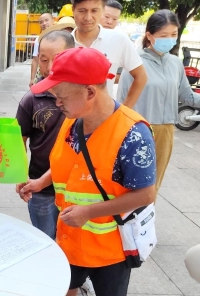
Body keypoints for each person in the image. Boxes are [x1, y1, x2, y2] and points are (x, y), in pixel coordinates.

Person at [19, 47, 156, 296]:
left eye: (61, 97)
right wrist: (41, 182)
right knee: (63, 288)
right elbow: (73, 163)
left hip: (109, 252)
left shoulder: (133, 135)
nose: (56, 103)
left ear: (90, 91)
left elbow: (146, 194)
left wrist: (89, 212)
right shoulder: (73, 120)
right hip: (69, 240)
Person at [118, 10, 200, 194]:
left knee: (154, 186)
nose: (170, 40)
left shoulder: (175, 63)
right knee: (135, 186)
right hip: (140, 130)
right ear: (149, 35)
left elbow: (187, 96)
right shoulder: (135, 63)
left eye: (174, 35)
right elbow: (122, 103)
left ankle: (145, 222)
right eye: (164, 35)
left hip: (166, 131)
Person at [15, 30, 75, 240]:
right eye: (44, 60)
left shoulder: (83, 99)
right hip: (40, 188)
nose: (49, 68)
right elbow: (18, 142)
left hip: (76, 189)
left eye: (57, 59)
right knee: (45, 241)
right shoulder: (31, 100)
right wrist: (20, 175)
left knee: (71, 244)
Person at [71, 0, 147, 105]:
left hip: (104, 116)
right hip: (67, 117)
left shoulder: (118, 40)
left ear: (102, 10)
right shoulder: (63, 42)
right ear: (73, 10)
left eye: (94, 11)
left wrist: (124, 111)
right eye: (82, 11)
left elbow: (141, 76)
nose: (88, 17)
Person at [29, 13, 54, 87]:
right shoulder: (38, 39)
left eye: (46, 20)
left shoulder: (61, 37)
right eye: (41, 22)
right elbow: (35, 59)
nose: (44, 23)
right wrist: (32, 79)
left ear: (52, 21)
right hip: (43, 74)